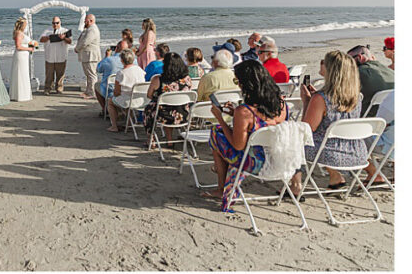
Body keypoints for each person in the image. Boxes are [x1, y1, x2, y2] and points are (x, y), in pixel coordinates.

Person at [206, 60, 289, 211]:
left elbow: (238, 145)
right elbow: (264, 123)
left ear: (246, 83)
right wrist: (235, 115)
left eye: (238, 81)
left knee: (216, 133)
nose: (238, 84)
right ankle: (222, 187)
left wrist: (220, 118)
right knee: (222, 133)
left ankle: (221, 189)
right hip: (278, 158)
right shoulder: (281, 104)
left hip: (254, 163)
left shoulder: (245, 112)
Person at [288, 51, 367, 192]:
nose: (321, 64)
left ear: (332, 70)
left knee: (294, 138)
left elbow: (306, 129)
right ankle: (335, 177)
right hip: (356, 152)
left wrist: (307, 102)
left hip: (331, 154)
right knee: (328, 137)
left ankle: (295, 186)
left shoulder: (321, 99)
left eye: (324, 62)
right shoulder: (356, 96)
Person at [143, 52, 192, 148]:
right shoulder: (187, 79)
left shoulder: (158, 79)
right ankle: (169, 140)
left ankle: (151, 139)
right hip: (183, 114)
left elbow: (149, 95)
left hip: (164, 115)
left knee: (149, 109)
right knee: (169, 107)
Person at [347, 44, 394, 114]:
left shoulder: (358, 74)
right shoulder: (391, 71)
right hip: (389, 118)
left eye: (349, 60)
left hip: (366, 119)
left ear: (360, 57)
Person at [107, 50, 145, 132]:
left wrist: (115, 95)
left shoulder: (121, 73)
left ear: (122, 60)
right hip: (141, 99)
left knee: (110, 102)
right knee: (127, 97)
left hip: (129, 100)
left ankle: (114, 126)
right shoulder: (140, 70)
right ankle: (128, 123)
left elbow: (116, 92)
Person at [39, 16, 72, 94]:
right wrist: (48, 37)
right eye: (53, 23)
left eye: (57, 23)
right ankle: (47, 89)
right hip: (49, 56)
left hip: (61, 56)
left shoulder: (65, 30)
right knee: (49, 75)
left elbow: (70, 41)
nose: (55, 24)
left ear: (60, 23)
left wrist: (63, 38)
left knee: (60, 75)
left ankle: (59, 89)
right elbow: (41, 39)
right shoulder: (47, 31)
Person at [96, 41, 128, 114]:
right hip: (127, 90)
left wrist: (106, 57)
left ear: (116, 48)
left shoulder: (109, 60)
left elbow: (98, 70)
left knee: (97, 85)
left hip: (111, 91)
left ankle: (105, 109)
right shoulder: (134, 61)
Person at [75, 14, 101, 100]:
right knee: (88, 74)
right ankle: (88, 91)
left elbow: (85, 42)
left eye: (85, 20)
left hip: (91, 56)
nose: (84, 22)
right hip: (87, 55)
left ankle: (92, 92)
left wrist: (77, 48)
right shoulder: (89, 29)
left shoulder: (92, 29)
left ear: (91, 21)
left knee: (91, 75)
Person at [9, 18, 34, 102]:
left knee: (24, 73)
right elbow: (18, 46)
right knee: (20, 73)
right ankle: (20, 95)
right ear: (22, 25)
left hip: (24, 56)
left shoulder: (21, 33)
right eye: (25, 24)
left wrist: (31, 44)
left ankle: (24, 93)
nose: (26, 26)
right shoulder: (19, 33)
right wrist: (29, 49)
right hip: (21, 55)